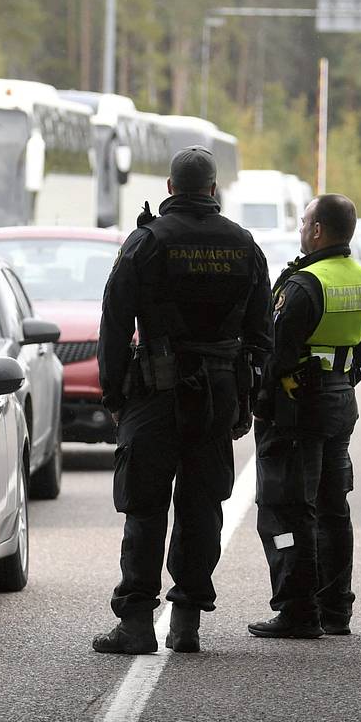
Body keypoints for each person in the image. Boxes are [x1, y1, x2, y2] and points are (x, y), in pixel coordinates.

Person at [92, 146, 272, 655]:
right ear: (213, 191)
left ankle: (136, 625)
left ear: (171, 188)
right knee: (201, 506)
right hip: (216, 393)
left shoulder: (145, 243)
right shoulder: (244, 246)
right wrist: (245, 398)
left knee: (145, 508)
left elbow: (114, 322)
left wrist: (112, 392)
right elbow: (263, 334)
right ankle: (187, 622)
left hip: (153, 392)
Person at [249, 194, 361, 639]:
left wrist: (262, 407)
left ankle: (297, 610)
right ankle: (335, 609)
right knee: (332, 506)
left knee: (287, 508)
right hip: (341, 401)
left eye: (304, 221)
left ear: (319, 230)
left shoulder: (304, 286)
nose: (301, 229)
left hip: (298, 408)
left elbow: (276, 355)